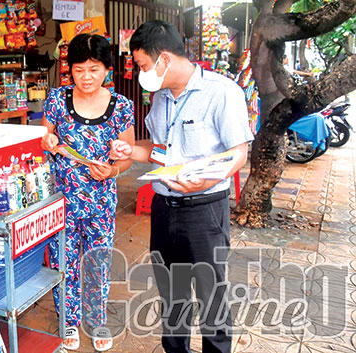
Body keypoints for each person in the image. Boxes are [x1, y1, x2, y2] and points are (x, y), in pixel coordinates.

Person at [110, 20, 253, 353]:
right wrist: (132, 150)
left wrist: (208, 179)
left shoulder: (222, 92)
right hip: (164, 211)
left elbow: (239, 153)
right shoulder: (161, 97)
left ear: (164, 59)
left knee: (210, 297)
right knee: (172, 298)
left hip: (204, 212)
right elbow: (161, 149)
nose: (142, 72)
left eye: (143, 65)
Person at [41, 34, 135, 351]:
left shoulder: (121, 107)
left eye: (94, 69)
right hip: (62, 201)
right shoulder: (56, 100)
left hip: (100, 201)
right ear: (70, 70)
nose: (86, 78)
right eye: (79, 70)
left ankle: (95, 321)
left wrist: (114, 170)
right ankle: (68, 321)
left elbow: (126, 153)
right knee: (63, 263)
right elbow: (45, 137)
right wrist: (47, 141)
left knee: (97, 263)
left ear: (107, 68)